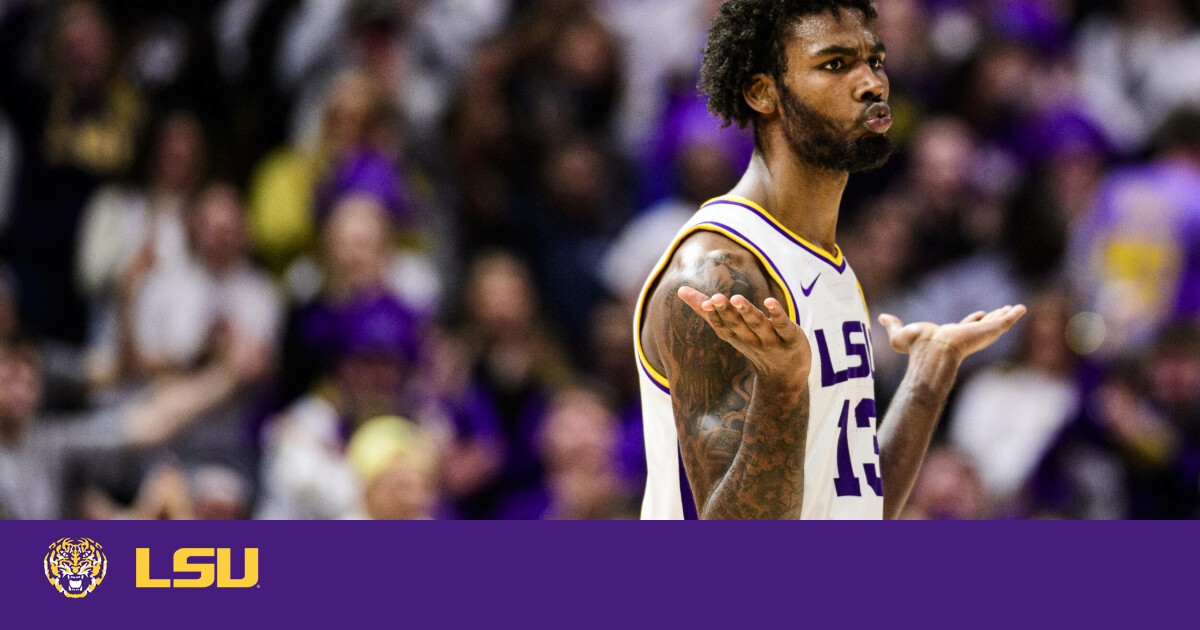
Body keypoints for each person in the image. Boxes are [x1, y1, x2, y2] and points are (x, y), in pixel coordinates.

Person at [635, 0, 1026, 520]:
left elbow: (853, 506)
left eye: (876, 60)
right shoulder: (720, 274)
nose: (872, 85)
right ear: (762, 92)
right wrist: (782, 388)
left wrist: (927, 381)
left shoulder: (827, 265)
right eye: (835, 64)